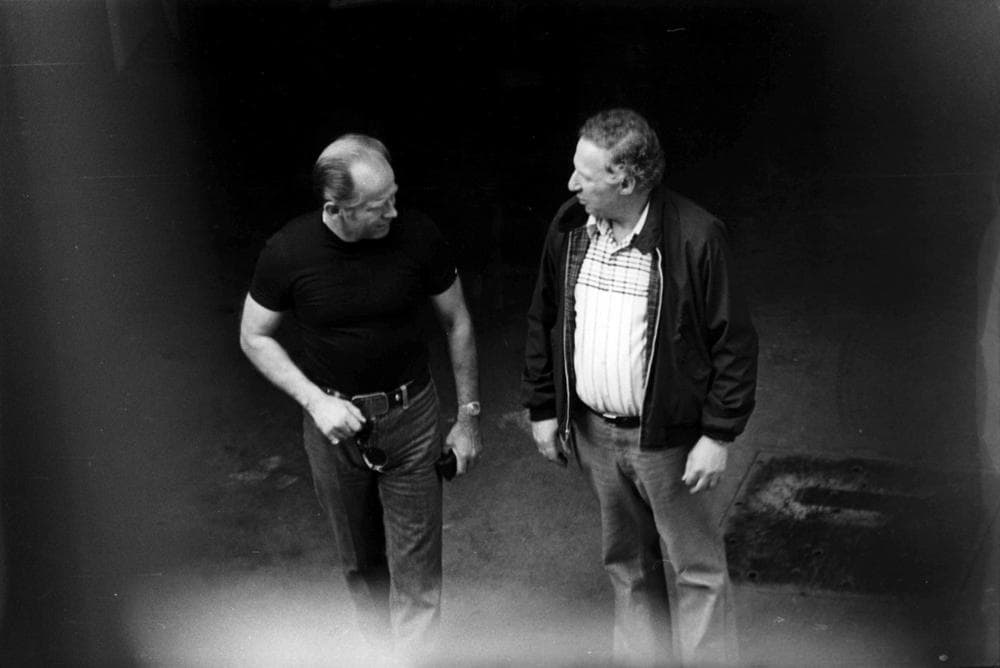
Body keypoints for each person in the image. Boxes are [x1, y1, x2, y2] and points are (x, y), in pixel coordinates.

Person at [521, 108, 757, 666]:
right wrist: (543, 407)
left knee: (697, 571)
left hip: (669, 441)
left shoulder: (696, 237)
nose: (571, 183)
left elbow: (735, 344)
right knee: (627, 567)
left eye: (585, 173)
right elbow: (544, 317)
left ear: (624, 181)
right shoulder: (570, 227)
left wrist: (717, 436)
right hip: (596, 435)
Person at [239, 133, 482, 657]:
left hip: (412, 418)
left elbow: (457, 321)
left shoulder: (419, 236)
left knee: (418, 577)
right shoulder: (288, 251)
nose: (393, 212)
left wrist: (468, 416)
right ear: (336, 209)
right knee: (360, 566)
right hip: (333, 428)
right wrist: (314, 401)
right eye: (377, 206)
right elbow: (253, 335)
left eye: (395, 195)